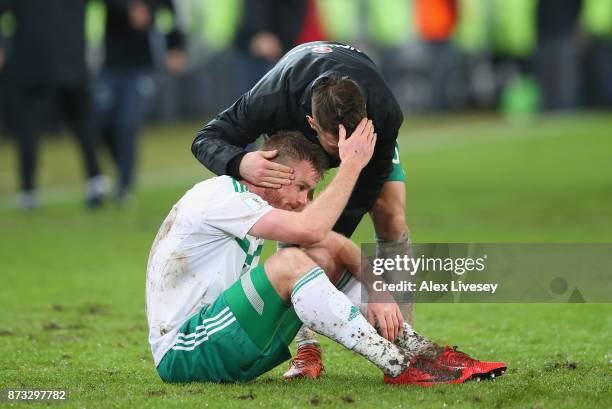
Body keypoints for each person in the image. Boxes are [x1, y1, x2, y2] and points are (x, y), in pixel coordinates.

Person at [148, 127, 506, 384]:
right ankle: (397, 364)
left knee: (318, 254)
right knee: (291, 260)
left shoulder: (249, 204)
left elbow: (332, 244)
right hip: (185, 349)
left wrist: (377, 288)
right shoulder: (219, 195)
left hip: (226, 340)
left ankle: (422, 352)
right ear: (270, 170)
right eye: (302, 187)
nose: (305, 199)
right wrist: (351, 165)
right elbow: (311, 230)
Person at [191, 41, 413, 377]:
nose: (343, 154)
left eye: (350, 145)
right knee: (293, 208)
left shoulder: (384, 112)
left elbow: (361, 196)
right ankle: (307, 350)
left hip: (368, 139)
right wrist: (241, 162)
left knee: (390, 213)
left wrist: (331, 246)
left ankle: (403, 342)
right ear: (312, 124)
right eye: (334, 145)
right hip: (294, 105)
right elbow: (206, 138)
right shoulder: (271, 100)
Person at [0, 0, 107, 209]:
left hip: (32, 68)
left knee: (29, 129)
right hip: (68, 66)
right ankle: (95, 182)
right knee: (81, 126)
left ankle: (28, 191)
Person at [95, 0, 186, 204]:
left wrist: (176, 47)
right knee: (100, 123)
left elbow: (172, 15)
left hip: (142, 68)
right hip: (110, 66)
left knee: (127, 124)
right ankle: (121, 166)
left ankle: (124, 186)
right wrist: (129, 9)